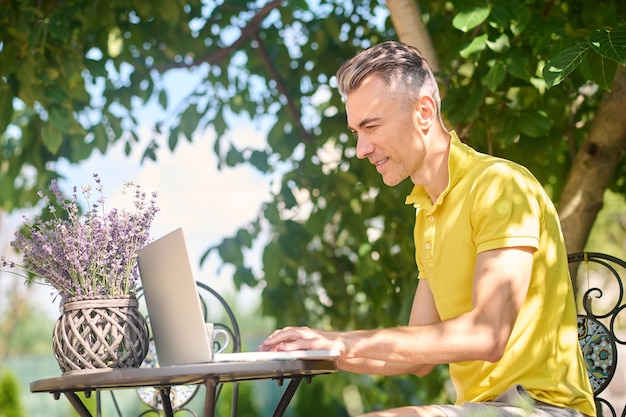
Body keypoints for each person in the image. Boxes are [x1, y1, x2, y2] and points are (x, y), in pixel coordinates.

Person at [260, 41, 596, 417]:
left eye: (371, 126)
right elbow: (414, 360)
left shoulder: (500, 186)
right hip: (480, 410)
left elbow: (487, 335)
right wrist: (317, 350)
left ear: (424, 110)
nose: (361, 148)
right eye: (356, 131)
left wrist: (341, 342)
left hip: (544, 408)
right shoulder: (426, 211)